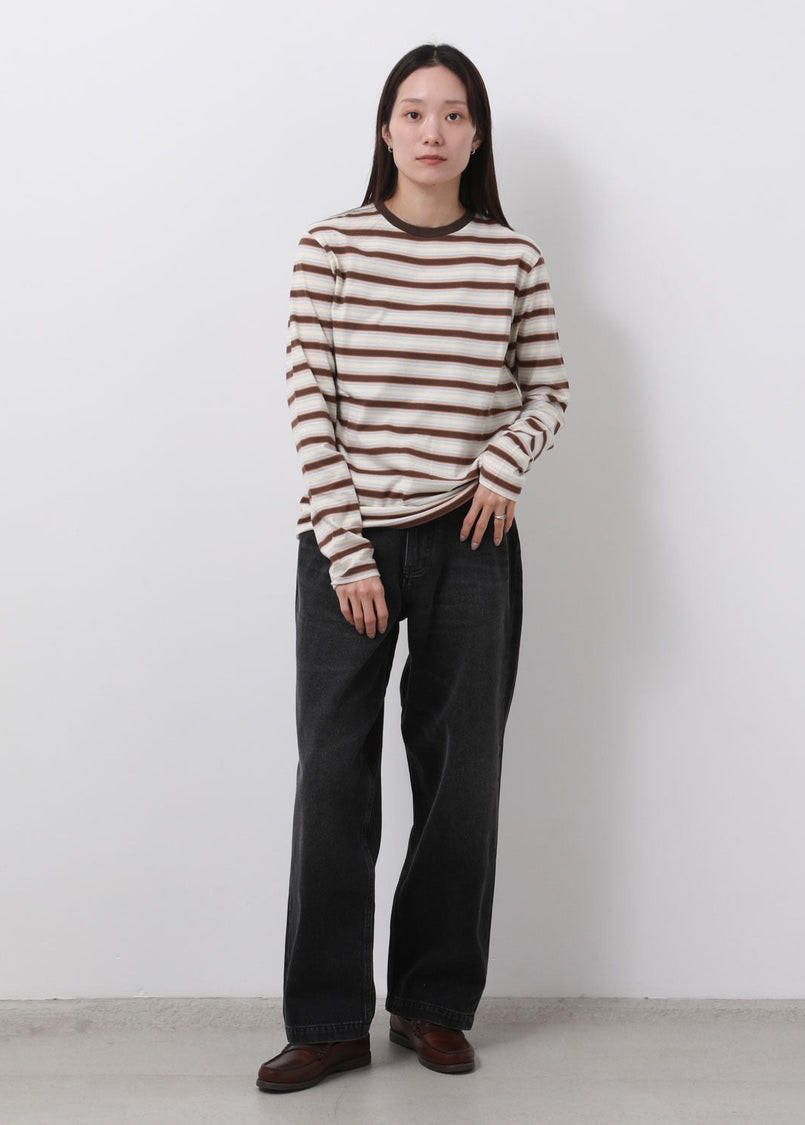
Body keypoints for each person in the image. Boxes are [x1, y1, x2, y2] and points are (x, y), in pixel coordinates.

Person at [257, 42, 569, 1094]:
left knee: (460, 780)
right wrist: (346, 548)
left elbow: (549, 390)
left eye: (453, 113)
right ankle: (328, 1021)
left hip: (472, 541)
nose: (432, 131)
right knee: (333, 778)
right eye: (412, 112)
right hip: (345, 540)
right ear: (385, 130)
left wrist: (506, 459)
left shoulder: (512, 259)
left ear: (477, 136)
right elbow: (310, 404)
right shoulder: (330, 247)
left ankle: (433, 1006)